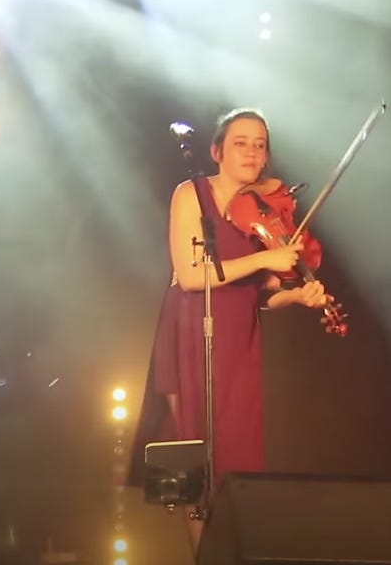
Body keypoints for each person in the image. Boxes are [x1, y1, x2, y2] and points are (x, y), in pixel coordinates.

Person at [128, 109, 332, 552]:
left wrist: (298, 296)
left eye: (260, 145)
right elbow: (190, 275)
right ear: (217, 151)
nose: (252, 152)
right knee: (194, 467)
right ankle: (205, 556)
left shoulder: (265, 209)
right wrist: (264, 259)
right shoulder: (191, 194)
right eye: (241, 142)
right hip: (189, 331)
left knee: (238, 460)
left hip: (240, 339)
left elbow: (263, 293)